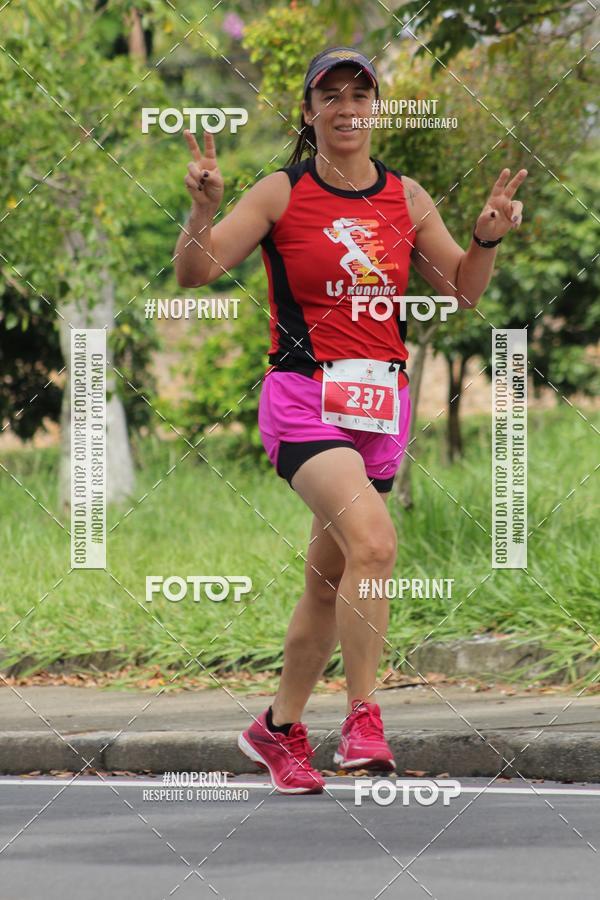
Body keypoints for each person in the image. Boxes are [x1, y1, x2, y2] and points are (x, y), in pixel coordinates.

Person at [174, 47, 527, 794]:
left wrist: (487, 238)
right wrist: (203, 210)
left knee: (327, 585)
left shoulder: (407, 197)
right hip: (303, 401)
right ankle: (364, 716)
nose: (345, 107)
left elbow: (460, 290)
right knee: (376, 542)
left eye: (358, 94)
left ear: (375, 109)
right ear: (309, 113)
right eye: (328, 95)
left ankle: (275, 729)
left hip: (378, 408)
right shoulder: (280, 192)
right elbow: (196, 272)